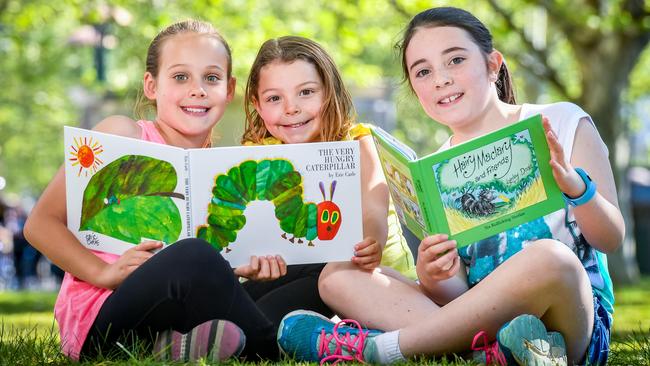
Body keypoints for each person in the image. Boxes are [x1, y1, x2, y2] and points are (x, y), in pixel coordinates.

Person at [277, 7, 623, 366]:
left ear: (493, 65)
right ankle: (491, 355)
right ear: (415, 89)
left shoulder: (561, 122)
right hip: (480, 323)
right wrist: (434, 273)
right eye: (423, 72)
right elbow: (457, 295)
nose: (440, 79)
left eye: (455, 60)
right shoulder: (434, 171)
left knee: (550, 258)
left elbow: (611, 238)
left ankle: (378, 349)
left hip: (571, 322)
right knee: (339, 276)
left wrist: (576, 189)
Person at [24, 19, 281, 362]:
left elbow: (193, 274)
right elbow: (39, 224)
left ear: (229, 89)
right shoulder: (121, 134)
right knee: (194, 255)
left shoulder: (219, 170)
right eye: (180, 77)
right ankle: (273, 349)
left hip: (175, 305)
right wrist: (104, 273)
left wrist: (236, 270)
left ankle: (180, 347)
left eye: (212, 78)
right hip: (104, 318)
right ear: (151, 85)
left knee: (310, 264)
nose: (198, 89)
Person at [240, 35, 417, 319]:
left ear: (330, 93)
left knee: (273, 308)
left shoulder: (358, 142)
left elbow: (373, 210)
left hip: (372, 278)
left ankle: (244, 333)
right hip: (296, 276)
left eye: (306, 92)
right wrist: (250, 262)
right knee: (245, 300)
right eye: (274, 98)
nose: (291, 108)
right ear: (258, 105)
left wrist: (372, 241)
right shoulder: (259, 156)